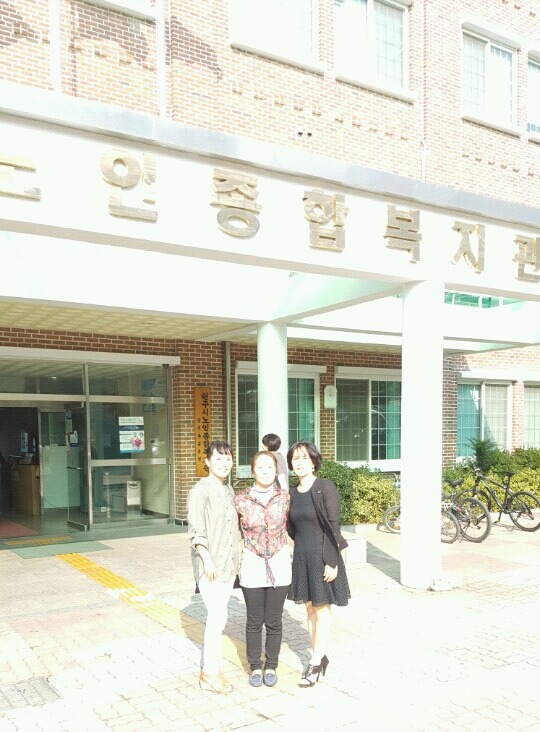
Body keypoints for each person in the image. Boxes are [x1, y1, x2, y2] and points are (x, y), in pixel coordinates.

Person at [286, 440, 350, 687]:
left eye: (304, 457)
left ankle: (314, 664)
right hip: (302, 557)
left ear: (313, 462)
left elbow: (334, 527)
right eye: (295, 458)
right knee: (310, 609)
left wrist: (331, 562)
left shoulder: (325, 487)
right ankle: (319, 655)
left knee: (322, 610)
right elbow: (291, 528)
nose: (299, 462)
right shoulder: (292, 493)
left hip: (324, 557)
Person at [187, 440, 241, 694]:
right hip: (211, 566)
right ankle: (209, 673)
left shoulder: (228, 490)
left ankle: (211, 670)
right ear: (207, 461)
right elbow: (196, 530)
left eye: (228, 458)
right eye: (218, 458)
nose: (224, 463)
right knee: (217, 617)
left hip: (228, 564)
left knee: (220, 617)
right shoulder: (200, 491)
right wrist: (206, 559)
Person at [234, 451, 291, 688]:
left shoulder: (285, 497)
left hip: (279, 563)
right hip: (252, 563)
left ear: (276, 470)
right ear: (252, 471)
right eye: (260, 467)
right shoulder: (240, 499)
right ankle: (255, 666)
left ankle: (271, 666)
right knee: (254, 620)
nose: (266, 470)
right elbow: (232, 531)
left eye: (270, 466)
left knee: (274, 620)